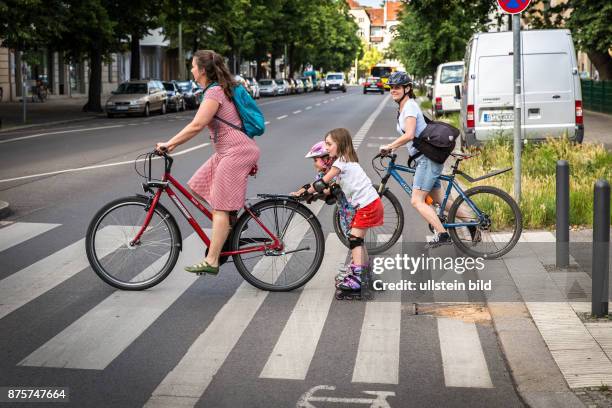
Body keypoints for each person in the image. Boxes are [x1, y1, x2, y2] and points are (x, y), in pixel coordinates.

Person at [156, 50, 260, 275]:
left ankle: (212, 260)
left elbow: (197, 124)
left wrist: (170, 144)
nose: (191, 70)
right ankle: (229, 226)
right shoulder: (218, 90)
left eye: (193, 66)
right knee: (197, 184)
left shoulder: (214, 93)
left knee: (220, 207)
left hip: (235, 152)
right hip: (227, 151)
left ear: (203, 70)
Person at [379, 71, 473, 248]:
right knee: (437, 199)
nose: (393, 90)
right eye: (391, 87)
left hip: (427, 160)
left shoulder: (410, 107)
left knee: (417, 200)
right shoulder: (404, 107)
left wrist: (390, 146)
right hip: (424, 158)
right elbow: (411, 137)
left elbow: (409, 134)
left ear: (407, 88)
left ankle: (443, 234)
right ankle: (471, 222)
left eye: (397, 87)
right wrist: (393, 147)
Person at [307, 128, 383, 299]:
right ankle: (364, 274)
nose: (326, 148)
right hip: (370, 204)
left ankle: (357, 280)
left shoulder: (339, 163)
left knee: (355, 240)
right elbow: (328, 189)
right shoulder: (346, 161)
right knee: (358, 241)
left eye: (328, 144)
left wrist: (304, 190)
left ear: (339, 144)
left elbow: (322, 184)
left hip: (367, 206)